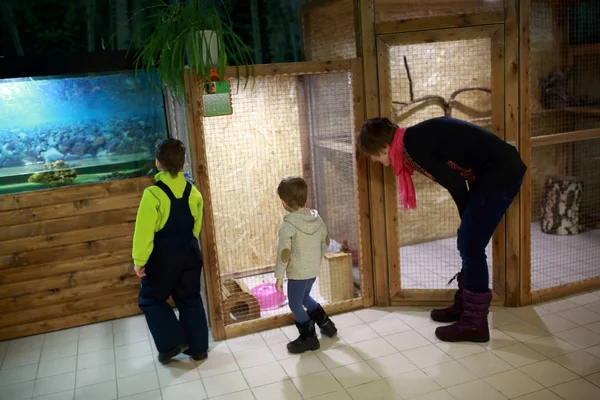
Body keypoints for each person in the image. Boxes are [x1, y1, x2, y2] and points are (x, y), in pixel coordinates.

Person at [357, 116, 526, 343]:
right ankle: (466, 307)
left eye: (374, 156)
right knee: (468, 241)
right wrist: (467, 218)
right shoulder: (411, 142)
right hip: (488, 174)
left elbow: (455, 183)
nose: (375, 161)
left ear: (385, 147)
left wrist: (466, 218)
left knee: (471, 244)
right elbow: (455, 177)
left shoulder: (414, 147)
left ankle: (474, 324)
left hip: (500, 173)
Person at [132, 138, 209, 363]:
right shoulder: (193, 191)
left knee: (150, 299)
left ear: (157, 163)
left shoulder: (153, 194)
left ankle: (172, 342)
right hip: (190, 253)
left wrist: (140, 260)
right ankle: (199, 349)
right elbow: (196, 226)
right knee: (190, 298)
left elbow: (143, 232)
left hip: (163, 257)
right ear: (183, 163)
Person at [274, 176, 338, 353]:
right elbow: (325, 240)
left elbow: (284, 253)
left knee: (295, 304)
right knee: (305, 297)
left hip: (297, 274)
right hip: (312, 270)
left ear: (284, 202)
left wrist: (279, 275)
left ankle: (309, 338)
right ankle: (326, 324)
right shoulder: (317, 219)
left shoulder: (287, 225)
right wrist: (317, 257)